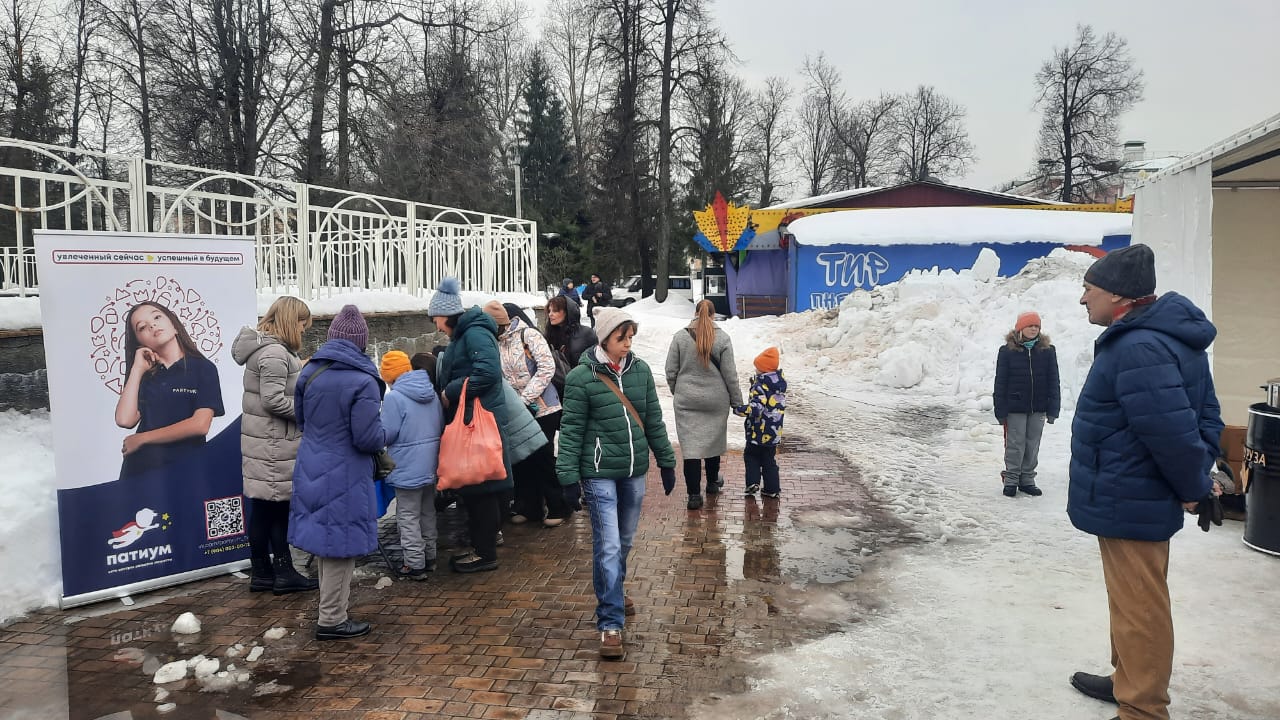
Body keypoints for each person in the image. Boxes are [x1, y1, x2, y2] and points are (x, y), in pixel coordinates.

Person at [1068, 243, 1224, 720]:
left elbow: (1172, 432)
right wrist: (1200, 474)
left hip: (1130, 495)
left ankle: (1142, 708)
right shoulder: (1161, 338)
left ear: (1118, 297)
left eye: (1088, 289)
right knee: (1131, 599)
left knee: (1140, 607)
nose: (1082, 299)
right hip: (1127, 493)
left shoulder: (1141, 347)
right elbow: (1206, 416)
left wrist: (1195, 485)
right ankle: (1127, 680)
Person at [557, 305, 677, 660]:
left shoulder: (639, 372)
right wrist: (567, 478)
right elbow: (572, 431)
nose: (627, 344)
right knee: (608, 545)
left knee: (622, 541)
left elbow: (653, 419)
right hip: (597, 473)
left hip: (634, 469)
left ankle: (614, 587)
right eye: (620, 338)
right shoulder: (582, 378)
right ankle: (610, 622)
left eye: (630, 338)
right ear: (605, 337)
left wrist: (666, 462)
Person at [289, 304, 388, 641]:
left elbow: (301, 420)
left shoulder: (310, 373)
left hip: (311, 462)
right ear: (361, 343)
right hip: (344, 470)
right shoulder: (363, 380)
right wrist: (388, 432)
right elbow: (367, 437)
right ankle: (332, 619)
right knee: (340, 547)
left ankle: (331, 612)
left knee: (324, 541)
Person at [231, 296, 318, 595]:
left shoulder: (269, 351)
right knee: (277, 509)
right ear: (289, 321)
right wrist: (306, 410)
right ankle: (282, 572)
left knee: (263, 510)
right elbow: (273, 400)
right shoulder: (273, 354)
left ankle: (263, 574)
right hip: (273, 446)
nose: (304, 330)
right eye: (301, 324)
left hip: (266, 443)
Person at [428, 277, 514, 573]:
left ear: (447, 314)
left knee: (483, 489)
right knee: (479, 490)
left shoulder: (474, 333)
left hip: (478, 421)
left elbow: (488, 372)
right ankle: (481, 548)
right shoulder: (466, 334)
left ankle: (485, 553)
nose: (436, 324)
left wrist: (450, 392)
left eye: (436, 318)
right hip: (474, 419)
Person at [114, 301, 225, 479]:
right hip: (140, 472)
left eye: (157, 317)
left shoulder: (203, 368)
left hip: (186, 471)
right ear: (139, 341)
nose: (152, 325)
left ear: (174, 325)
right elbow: (124, 419)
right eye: (142, 327)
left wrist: (143, 439)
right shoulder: (145, 373)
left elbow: (200, 425)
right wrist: (136, 369)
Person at [484, 301, 570, 527]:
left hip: (543, 408)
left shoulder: (528, 335)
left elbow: (546, 368)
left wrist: (524, 398)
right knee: (522, 460)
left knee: (542, 457)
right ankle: (529, 507)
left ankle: (558, 505)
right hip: (516, 412)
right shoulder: (495, 343)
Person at [664, 298, 742, 510]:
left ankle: (693, 496)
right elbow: (730, 375)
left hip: (687, 400)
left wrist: (678, 391)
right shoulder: (723, 338)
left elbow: (670, 371)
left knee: (691, 449)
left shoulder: (680, 337)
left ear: (695, 313)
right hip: (716, 401)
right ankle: (712, 483)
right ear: (713, 315)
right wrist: (737, 402)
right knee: (712, 443)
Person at [379, 350, 444, 580]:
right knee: (428, 511)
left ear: (388, 376)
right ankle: (430, 556)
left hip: (407, 466)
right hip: (430, 463)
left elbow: (387, 434)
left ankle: (414, 564)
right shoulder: (430, 392)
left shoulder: (394, 398)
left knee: (407, 516)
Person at [993, 310, 1060, 498]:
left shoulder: (1047, 351)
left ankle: (1027, 479)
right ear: (1020, 328)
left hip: (1039, 406)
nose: (1033, 329)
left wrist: (1053, 407)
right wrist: (1000, 409)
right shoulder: (1007, 351)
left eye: (1036, 326)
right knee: (1015, 443)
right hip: (1015, 406)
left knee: (1032, 444)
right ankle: (1012, 479)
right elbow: (1000, 381)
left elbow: (1054, 380)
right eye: (1030, 325)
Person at [733, 347, 787, 498]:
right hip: (774, 432)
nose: (755, 370)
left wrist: (739, 410)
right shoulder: (779, 385)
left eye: (757, 367)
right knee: (769, 460)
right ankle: (772, 489)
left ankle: (752, 482)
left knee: (751, 456)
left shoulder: (761, 386)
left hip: (758, 431)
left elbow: (756, 408)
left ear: (763, 369)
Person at [545, 294, 597, 368]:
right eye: (549, 311)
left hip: (579, 377)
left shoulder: (586, 334)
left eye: (555, 310)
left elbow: (597, 360)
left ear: (567, 312)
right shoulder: (549, 335)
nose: (550, 314)